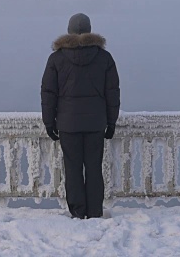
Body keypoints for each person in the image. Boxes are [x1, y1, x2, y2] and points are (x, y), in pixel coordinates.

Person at [40, 13, 120, 219]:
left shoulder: (56, 59)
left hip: (68, 124)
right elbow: (112, 92)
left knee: (73, 169)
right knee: (94, 168)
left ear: (68, 31)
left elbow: (48, 93)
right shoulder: (104, 58)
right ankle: (94, 211)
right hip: (95, 124)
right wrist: (111, 122)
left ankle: (77, 211)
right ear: (90, 30)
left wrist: (49, 122)